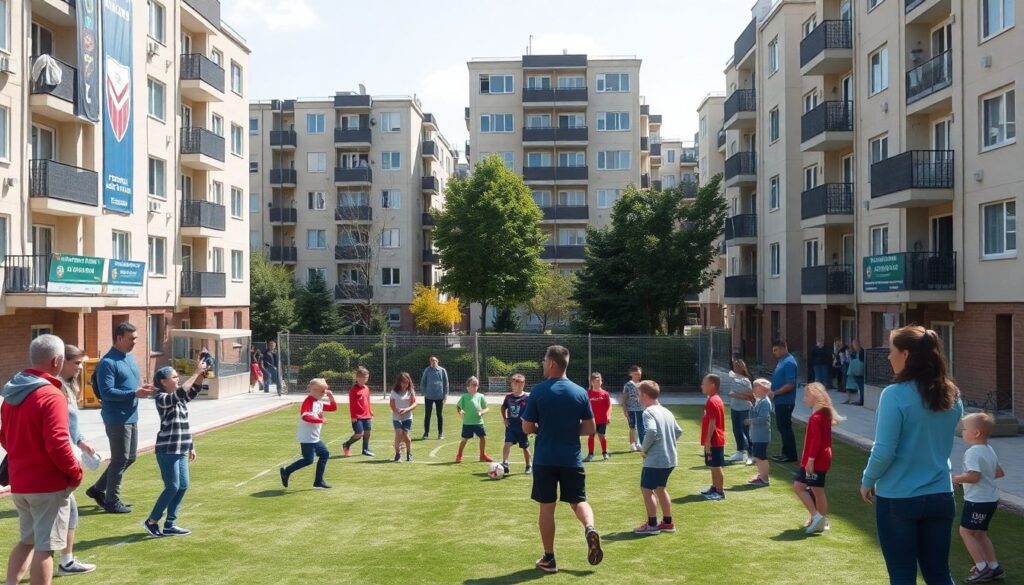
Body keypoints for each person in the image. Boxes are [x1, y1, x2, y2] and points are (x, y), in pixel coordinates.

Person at [860, 326, 963, 585]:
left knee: (903, 575)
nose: (887, 356)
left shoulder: (894, 395)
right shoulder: (951, 393)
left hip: (899, 499)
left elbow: (884, 450)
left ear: (905, 354)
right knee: (939, 573)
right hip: (940, 495)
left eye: (891, 350)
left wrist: (868, 479)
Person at [1, 335, 84, 585]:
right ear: (57, 361)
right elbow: (58, 443)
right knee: (45, 548)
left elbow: (5, 437)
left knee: (27, 540)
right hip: (47, 484)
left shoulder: (12, 393)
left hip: (21, 482)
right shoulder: (50, 394)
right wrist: (75, 472)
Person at [522, 345, 602, 573]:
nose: (543, 364)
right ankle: (589, 527)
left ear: (552, 364)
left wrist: (546, 427)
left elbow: (527, 426)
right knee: (578, 500)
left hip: (545, 459)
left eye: (544, 360)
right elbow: (590, 428)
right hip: (572, 459)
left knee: (547, 509)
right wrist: (567, 428)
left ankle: (549, 559)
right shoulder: (580, 392)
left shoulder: (538, 391)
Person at [86, 322, 155, 514]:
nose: (135, 341)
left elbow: (130, 384)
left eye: (135, 338)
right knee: (120, 459)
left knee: (130, 457)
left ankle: (97, 489)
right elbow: (107, 393)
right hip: (116, 418)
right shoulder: (108, 363)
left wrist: (143, 389)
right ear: (119, 338)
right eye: (131, 338)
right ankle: (111, 501)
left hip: (131, 415)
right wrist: (134, 393)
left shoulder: (130, 358)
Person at [143, 360, 211, 537]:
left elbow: (193, 391)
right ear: (164, 382)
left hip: (180, 449)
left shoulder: (179, 400)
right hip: (167, 450)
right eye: (174, 377)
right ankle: (151, 521)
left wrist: (202, 374)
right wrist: (195, 373)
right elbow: (181, 392)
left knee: (183, 486)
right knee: (172, 486)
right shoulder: (162, 398)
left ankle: (170, 524)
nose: (178, 378)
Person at [55, 345, 97, 575]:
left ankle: (67, 560)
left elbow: (71, 427)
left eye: (81, 363)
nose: (80, 368)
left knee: (69, 511)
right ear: (62, 362)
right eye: (76, 363)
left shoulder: (70, 387)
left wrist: (81, 441)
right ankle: (65, 562)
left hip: (66, 454)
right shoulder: (55, 388)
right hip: (57, 461)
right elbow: (55, 431)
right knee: (49, 523)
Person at [952, 413, 1006, 583]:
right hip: (990, 499)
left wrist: (957, 478)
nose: (962, 431)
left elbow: (974, 476)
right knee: (981, 534)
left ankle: (982, 568)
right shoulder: (989, 450)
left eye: (965, 429)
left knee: (965, 532)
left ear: (976, 433)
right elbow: (999, 473)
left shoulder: (973, 452)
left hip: (977, 501)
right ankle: (994, 566)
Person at [632, 380, 682, 535]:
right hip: (670, 459)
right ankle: (668, 523)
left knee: (647, 490)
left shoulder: (649, 412)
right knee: (660, 488)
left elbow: (652, 431)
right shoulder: (666, 411)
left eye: (639, 394)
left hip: (656, 460)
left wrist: (644, 449)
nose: (638, 398)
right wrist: (667, 442)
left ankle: (652, 525)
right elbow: (678, 431)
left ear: (645, 395)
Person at [793, 382, 843, 535]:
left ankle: (817, 517)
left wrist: (810, 460)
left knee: (799, 487)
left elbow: (816, 440)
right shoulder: (824, 414)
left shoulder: (817, 417)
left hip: (816, 459)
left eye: (806, 395)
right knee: (817, 490)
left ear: (814, 396)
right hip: (822, 458)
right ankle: (820, 519)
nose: (804, 399)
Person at [280, 378, 337, 490]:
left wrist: (331, 397)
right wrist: (320, 420)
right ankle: (286, 471)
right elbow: (305, 417)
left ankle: (318, 482)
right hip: (307, 438)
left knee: (324, 454)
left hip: (315, 437)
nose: (324, 394)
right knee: (308, 460)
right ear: (315, 390)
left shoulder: (318, 401)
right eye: (323, 392)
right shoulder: (308, 402)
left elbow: (333, 408)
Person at [768, 340, 799, 463]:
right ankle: (785, 452)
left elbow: (790, 384)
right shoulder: (782, 361)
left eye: (776, 350)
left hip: (786, 401)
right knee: (782, 427)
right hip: (780, 401)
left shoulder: (789, 362)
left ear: (783, 348)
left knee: (785, 427)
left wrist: (775, 393)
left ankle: (790, 455)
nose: (774, 353)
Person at [699, 374, 727, 501]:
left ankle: (720, 492)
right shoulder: (713, 399)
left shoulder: (712, 401)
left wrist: (708, 440)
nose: (702, 386)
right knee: (712, 465)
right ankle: (715, 487)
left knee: (716, 466)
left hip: (715, 440)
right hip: (714, 439)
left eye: (704, 383)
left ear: (712, 385)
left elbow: (712, 422)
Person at [455, 376, 492, 463]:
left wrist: (482, 412)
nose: (475, 387)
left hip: (478, 422)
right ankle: (459, 455)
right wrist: (460, 412)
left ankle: (482, 455)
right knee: (464, 439)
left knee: (482, 438)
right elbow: (458, 407)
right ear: (468, 386)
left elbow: (486, 408)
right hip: (467, 423)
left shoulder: (480, 396)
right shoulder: (464, 397)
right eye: (473, 385)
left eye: (476, 385)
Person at [501, 374, 532, 475]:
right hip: (511, 427)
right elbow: (503, 408)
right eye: (514, 385)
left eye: (518, 385)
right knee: (507, 444)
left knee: (525, 447)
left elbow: (532, 411)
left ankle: (528, 465)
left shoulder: (527, 398)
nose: (516, 387)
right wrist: (505, 419)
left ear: (523, 385)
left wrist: (529, 423)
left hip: (522, 428)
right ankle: (505, 463)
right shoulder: (508, 397)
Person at [745, 378, 773, 487]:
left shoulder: (765, 402)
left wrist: (750, 421)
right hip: (757, 434)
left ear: (761, 388)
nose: (753, 389)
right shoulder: (760, 400)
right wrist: (751, 407)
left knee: (761, 457)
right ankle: (761, 476)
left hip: (762, 435)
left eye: (755, 386)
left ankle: (764, 479)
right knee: (757, 456)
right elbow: (755, 415)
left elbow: (763, 419)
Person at [342, 367, 374, 457]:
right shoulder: (353, 389)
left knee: (367, 433)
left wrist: (370, 410)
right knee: (359, 434)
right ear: (357, 378)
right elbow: (352, 404)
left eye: (366, 378)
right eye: (363, 378)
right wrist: (353, 416)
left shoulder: (366, 388)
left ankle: (365, 450)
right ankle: (347, 444)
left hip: (367, 415)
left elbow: (367, 400)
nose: (365, 380)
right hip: (357, 416)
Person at [726, 359, 754, 464]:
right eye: (734, 366)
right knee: (736, 430)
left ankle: (751, 455)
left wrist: (736, 395)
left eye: (738, 366)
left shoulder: (746, 381)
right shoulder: (733, 377)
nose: (735, 368)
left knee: (746, 432)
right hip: (735, 408)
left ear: (742, 368)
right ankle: (739, 452)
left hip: (744, 409)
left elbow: (751, 396)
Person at [420, 355, 449, 440]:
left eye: (435, 360)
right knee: (427, 415)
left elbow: (446, 384)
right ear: (430, 362)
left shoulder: (442, 370)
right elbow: (423, 382)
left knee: (439, 415)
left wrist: (445, 395)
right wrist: (425, 392)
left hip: (439, 396)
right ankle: (426, 433)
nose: (433, 362)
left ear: (437, 361)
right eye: (431, 361)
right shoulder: (427, 370)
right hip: (429, 396)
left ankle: (440, 433)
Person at [389, 372, 417, 462]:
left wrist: (406, 410)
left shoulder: (411, 391)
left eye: (407, 382)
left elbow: (414, 404)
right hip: (396, 417)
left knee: (405, 435)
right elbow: (392, 405)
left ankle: (409, 453)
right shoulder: (394, 392)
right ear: (399, 382)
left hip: (407, 417)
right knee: (399, 434)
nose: (405, 384)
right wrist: (397, 411)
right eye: (403, 382)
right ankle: (397, 454)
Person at [585, 373, 611, 462]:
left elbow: (609, 406)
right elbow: (585, 406)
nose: (598, 382)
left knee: (602, 436)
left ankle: (605, 453)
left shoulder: (605, 394)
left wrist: (608, 415)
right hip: (591, 419)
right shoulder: (587, 393)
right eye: (596, 381)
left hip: (602, 419)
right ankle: (590, 454)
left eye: (599, 380)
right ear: (591, 382)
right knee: (591, 436)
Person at [621, 365, 644, 451]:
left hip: (641, 409)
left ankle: (639, 443)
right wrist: (625, 409)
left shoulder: (642, 384)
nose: (638, 375)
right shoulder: (628, 385)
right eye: (636, 374)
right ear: (631, 374)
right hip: (631, 409)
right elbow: (624, 398)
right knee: (632, 426)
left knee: (641, 427)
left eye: (639, 374)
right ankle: (632, 444)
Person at [845, 339, 865, 405]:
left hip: (859, 372)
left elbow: (862, 361)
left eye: (855, 344)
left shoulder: (861, 351)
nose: (854, 346)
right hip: (855, 371)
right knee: (859, 386)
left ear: (858, 344)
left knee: (861, 386)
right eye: (853, 344)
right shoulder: (855, 352)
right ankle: (859, 400)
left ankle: (861, 401)